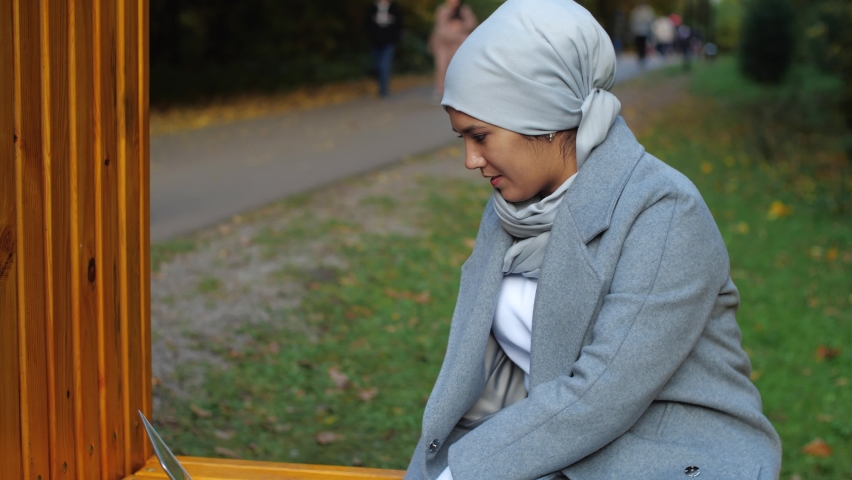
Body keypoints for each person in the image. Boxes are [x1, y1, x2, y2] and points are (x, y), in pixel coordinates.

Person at [404, 1, 782, 479]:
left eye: (480, 136)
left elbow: (603, 394)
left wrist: (463, 472)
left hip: (672, 457)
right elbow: (477, 374)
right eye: (462, 138)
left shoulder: (663, 213)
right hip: (549, 451)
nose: (470, 160)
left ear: (539, 116)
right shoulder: (513, 208)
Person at [429, 0, 478, 100]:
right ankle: (440, 90)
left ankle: (459, 90)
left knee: (458, 67)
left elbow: (471, 23)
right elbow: (438, 27)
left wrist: (460, 25)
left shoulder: (464, 10)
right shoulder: (442, 10)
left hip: (458, 44)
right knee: (441, 68)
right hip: (443, 44)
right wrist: (434, 42)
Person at [365, 0, 403, 98]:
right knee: (377, 66)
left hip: (389, 42)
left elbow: (399, 24)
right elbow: (366, 24)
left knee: (384, 65)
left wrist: (395, 38)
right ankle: (381, 87)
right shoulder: (372, 8)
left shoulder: (394, 7)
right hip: (375, 42)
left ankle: (384, 90)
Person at [629, 1, 655, 65]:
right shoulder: (646, 11)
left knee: (641, 45)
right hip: (641, 31)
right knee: (641, 45)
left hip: (641, 31)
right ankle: (641, 56)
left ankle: (642, 56)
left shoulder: (637, 11)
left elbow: (632, 21)